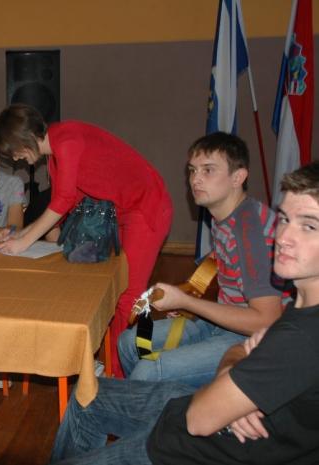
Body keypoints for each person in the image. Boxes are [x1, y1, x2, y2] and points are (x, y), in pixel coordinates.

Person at [50, 161, 319, 465]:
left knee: (147, 369)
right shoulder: (300, 308)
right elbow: (244, 337)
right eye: (284, 219)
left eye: (309, 226)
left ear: (238, 177)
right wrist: (235, 367)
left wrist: (232, 372)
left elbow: (200, 419)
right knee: (90, 391)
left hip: (189, 446)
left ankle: (134, 433)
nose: (283, 237)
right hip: (197, 411)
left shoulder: (302, 337)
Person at [0, 104, 173, 376]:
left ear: (23, 139)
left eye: (14, 151)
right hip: (123, 212)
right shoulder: (55, 155)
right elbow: (65, 200)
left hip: (147, 206)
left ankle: (119, 373)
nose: (16, 158)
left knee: (129, 295)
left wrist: (25, 241)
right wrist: (23, 234)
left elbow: (64, 199)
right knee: (111, 287)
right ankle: (112, 359)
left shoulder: (67, 141)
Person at [117, 132, 286, 387]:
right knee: (129, 343)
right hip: (221, 321)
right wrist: (189, 291)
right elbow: (222, 257)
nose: (195, 179)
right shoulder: (226, 214)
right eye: (193, 170)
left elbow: (267, 320)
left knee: (149, 370)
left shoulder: (249, 232)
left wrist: (187, 302)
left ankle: (160, 403)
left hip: (253, 339)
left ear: (238, 177)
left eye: (208, 170)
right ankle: (160, 402)